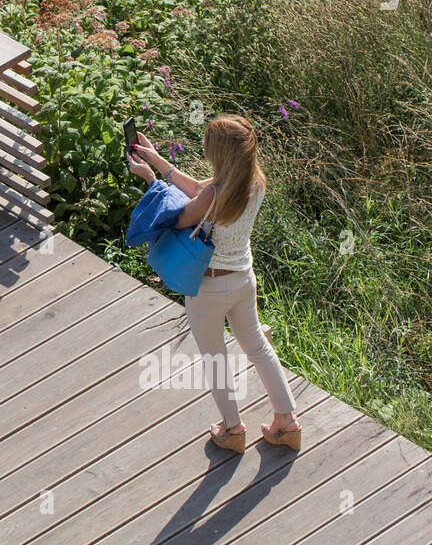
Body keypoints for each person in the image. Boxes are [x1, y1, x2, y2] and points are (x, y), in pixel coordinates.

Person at [127, 114, 301, 453]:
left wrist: (150, 180)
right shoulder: (254, 181)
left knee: (216, 358)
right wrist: (158, 161)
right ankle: (287, 422)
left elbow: (179, 217)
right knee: (258, 349)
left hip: (209, 288)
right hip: (242, 279)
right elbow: (198, 189)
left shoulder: (216, 194)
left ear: (220, 155)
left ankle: (232, 430)